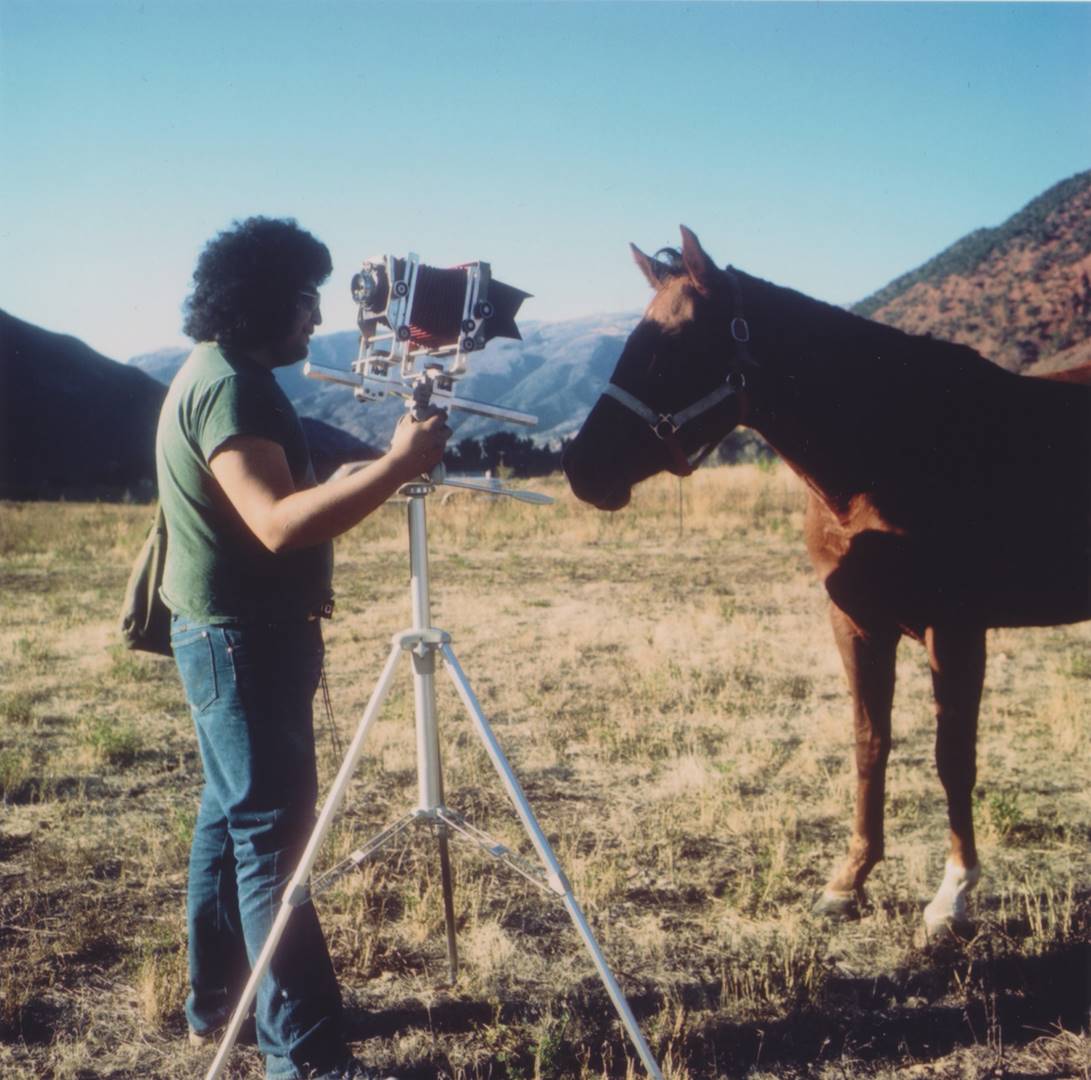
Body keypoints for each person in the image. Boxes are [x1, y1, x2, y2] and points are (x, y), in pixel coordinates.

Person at [156, 216, 450, 1080]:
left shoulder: (222, 371)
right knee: (273, 844)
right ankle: (309, 1058)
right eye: (304, 300)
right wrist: (395, 469)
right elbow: (279, 525)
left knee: (232, 817)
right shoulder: (234, 390)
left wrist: (386, 464)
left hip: (232, 636)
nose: (317, 318)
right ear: (258, 304)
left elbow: (289, 494)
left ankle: (219, 1005)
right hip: (243, 642)